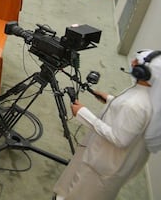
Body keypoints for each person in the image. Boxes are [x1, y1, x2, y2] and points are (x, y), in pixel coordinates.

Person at [53, 49, 160, 200]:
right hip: (103, 156)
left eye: (137, 62)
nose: (132, 63)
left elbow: (119, 139)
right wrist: (111, 100)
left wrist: (83, 113)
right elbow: (128, 114)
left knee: (82, 191)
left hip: (103, 165)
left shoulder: (136, 105)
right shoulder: (143, 94)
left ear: (145, 72)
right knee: (74, 182)